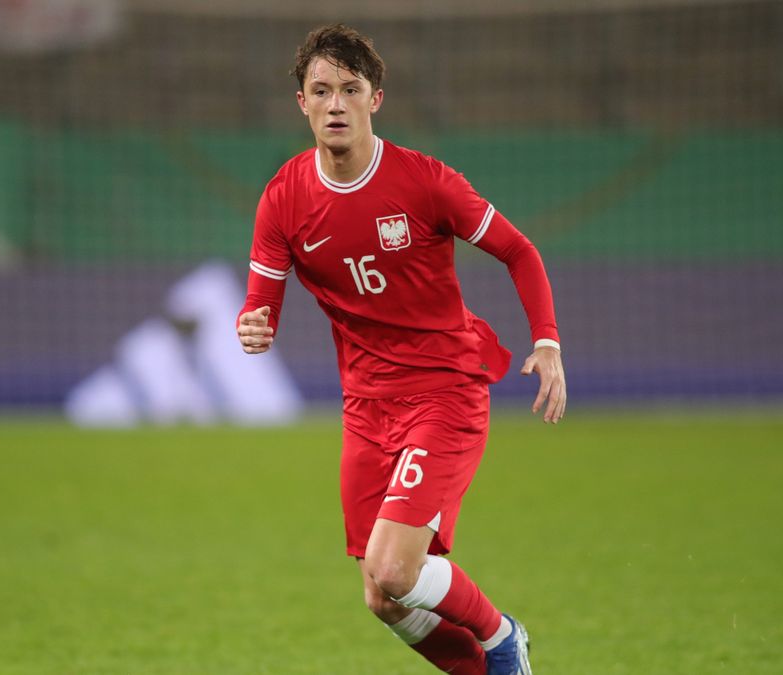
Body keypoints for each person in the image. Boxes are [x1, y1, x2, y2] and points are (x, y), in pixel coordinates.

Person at [236, 23, 565, 675]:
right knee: (382, 597)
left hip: (445, 393)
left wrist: (547, 341)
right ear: (301, 102)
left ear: (375, 99)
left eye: (350, 89)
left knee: (395, 567)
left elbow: (518, 250)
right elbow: (259, 302)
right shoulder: (284, 198)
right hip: (365, 409)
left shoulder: (424, 182)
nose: (335, 104)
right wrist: (253, 325)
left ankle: (503, 639)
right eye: (321, 90)